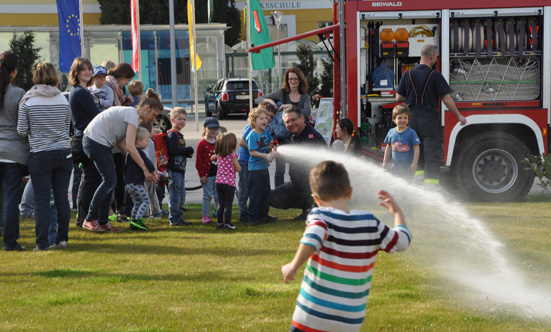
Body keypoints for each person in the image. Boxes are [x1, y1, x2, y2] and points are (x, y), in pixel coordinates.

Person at [281, 160, 412, 332]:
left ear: (316, 199)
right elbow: (402, 242)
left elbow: (314, 236)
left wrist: (293, 265)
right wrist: (397, 213)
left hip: (313, 315)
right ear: (350, 192)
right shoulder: (370, 222)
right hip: (349, 320)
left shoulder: (321, 216)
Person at [81, 89, 162, 233]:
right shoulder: (132, 115)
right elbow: (131, 146)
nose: (154, 120)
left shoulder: (130, 114)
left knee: (110, 181)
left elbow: (120, 143)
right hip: (95, 141)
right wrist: (144, 168)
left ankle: (103, 221)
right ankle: (90, 219)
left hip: (96, 141)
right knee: (109, 180)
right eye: (154, 115)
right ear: (147, 108)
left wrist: (133, 160)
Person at [17, 61, 72, 251]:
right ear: (55, 76)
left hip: (40, 154)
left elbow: (22, 130)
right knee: (62, 199)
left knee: (41, 201)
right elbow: (67, 126)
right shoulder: (62, 99)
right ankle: (62, 239)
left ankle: (42, 243)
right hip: (64, 152)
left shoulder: (29, 100)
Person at [396, 44, 466, 187]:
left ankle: (419, 185)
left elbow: (398, 98)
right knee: (432, 154)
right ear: (432, 56)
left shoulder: (407, 74)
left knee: (417, 152)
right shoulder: (435, 75)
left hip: (413, 119)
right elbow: (446, 99)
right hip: (430, 121)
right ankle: (432, 187)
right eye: (436, 56)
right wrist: (459, 116)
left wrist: (410, 96)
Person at [270, 106, 326, 221]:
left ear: (302, 118)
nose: (290, 124)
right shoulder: (294, 137)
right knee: (272, 198)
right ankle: (306, 206)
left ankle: (313, 208)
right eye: (287, 122)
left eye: (293, 120)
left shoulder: (312, 137)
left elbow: (307, 162)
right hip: (297, 185)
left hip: (316, 185)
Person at [69, 57, 102, 228]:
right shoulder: (79, 92)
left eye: (89, 69)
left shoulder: (82, 90)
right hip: (85, 138)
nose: (88, 72)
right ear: (77, 72)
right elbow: (95, 114)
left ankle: (85, 217)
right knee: (89, 178)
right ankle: (83, 218)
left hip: (86, 136)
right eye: (84, 70)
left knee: (90, 178)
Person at [0, 51, 28, 251]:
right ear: (15, 71)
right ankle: (10, 242)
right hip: (13, 152)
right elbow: (23, 127)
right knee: (11, 198)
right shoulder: (18, 94)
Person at [237, 101, 277, 224]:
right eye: (262, 118)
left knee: (265, 193)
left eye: (267, 118)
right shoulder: (252, 134)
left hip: (264, 167)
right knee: (255, 193)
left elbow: (270, 145)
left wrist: (273, 151)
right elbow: (252, 152)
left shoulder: (265, 133)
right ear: (254, 121)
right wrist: (266, 155)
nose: (266, 120)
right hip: (254, 169)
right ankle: (252, 217)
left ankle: (263, 215)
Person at [167, 107, 194, 226]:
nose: (182, 121)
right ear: (172, 120)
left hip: (180, 169)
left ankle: (179, 217)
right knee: (175, 194)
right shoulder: (172, 135)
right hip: (174, 169)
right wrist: (188, 149)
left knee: (181, 194)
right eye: (179, 119)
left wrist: (186, 153)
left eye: (184, 119)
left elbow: (179, 151)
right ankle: (174, 219)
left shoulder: (179, 135)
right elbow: (172, 150)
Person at [126, 127, 156, 231]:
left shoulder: (129, 154)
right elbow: (148, 162)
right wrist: (154, 173)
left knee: (137, 203)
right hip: (136, 183)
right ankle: (137, 220)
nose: (148, 143)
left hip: (129, 184)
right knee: (146, 200)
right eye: (146, 140)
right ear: (139, 141)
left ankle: (133, 221)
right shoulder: (139, 152)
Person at [212, 133, 240, 230]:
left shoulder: (219, 155)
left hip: (219, 182)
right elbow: (238, 169)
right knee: (228, 204)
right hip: (229, 183)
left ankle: (219, 223)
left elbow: (211, 158)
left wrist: (217, 154)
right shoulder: (233, 156)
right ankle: (227, 223)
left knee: (221, 204)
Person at [382, 105, 421, 177]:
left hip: (408, 168)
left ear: (408, 119)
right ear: (394, 119)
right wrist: (384, 162)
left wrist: (414, 163)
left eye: (405, 118)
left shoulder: (412, 133)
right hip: (395, 168)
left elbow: (416, 148)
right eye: (399, 118)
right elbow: (388, 147)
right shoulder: (391, 132)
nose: (402, 120)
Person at [196, 117, 220, 224]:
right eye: (210, 128)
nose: (213, 131)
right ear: (205, 129)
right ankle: (205, 215)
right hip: (207, 175)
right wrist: (201, 175)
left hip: (219, 175)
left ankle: (219, 212)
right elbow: (199, 162)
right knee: (207, 196)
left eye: (215, 129)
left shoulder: (219, 143)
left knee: (217, 195)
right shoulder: (202, 144)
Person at [140, 123, 161, 219]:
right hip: (151, 171)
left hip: (145, 172)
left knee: (145, 194)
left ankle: (146, 213)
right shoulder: (150, 143)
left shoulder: (144, 144)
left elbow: (150, 159)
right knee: (152, 193)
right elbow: (153, 159)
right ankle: (156, 212)